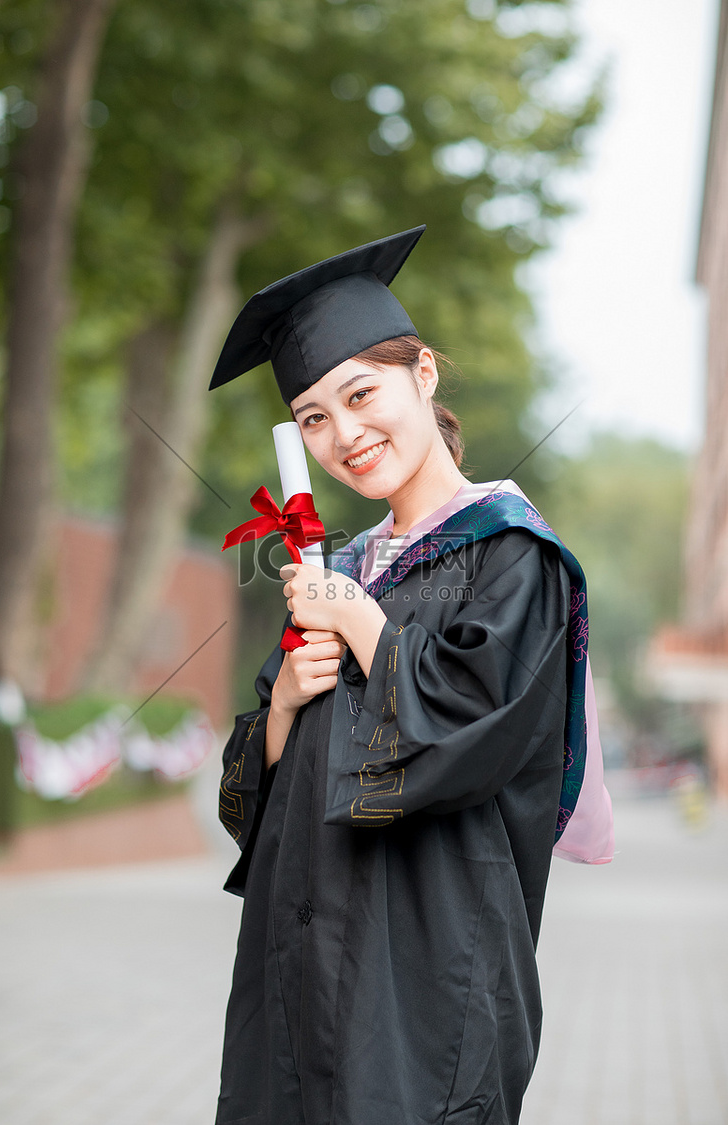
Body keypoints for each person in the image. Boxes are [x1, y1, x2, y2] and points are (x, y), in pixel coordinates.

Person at [209, 226, 613, 1125]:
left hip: (427, 983)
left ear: (423, 375)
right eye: (313, 417)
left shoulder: (514, 557)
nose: (344, 435)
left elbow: (469, 741)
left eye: (361, 394)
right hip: (294, 973)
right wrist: (281, 705)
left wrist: (359, 619)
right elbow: (258, 805)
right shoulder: (343, 564)